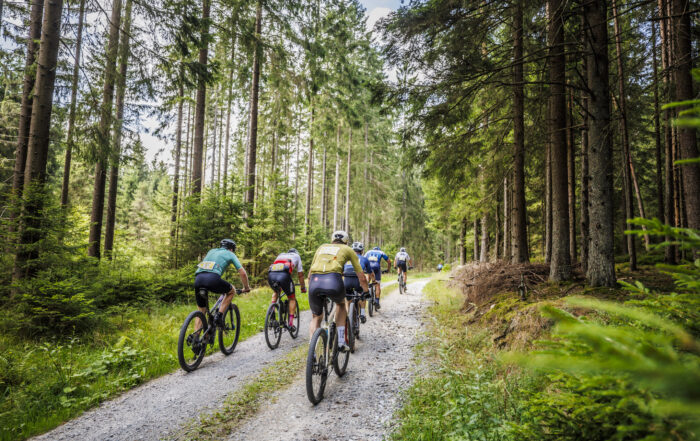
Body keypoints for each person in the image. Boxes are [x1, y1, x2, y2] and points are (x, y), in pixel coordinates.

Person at [308, 231, 369, 352]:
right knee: (341, 305)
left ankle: (312, 350)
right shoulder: (348, 249)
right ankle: (341, 342)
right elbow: (361, 276)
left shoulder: (321, 247)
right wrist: (366, 291)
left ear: (332, 240)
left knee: (316, 317)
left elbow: (309, 275)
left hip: (315, 281)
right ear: (346, 241)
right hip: (333, 280)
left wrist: (312, 291)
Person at [194, 239, 251, 330]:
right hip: (212, 279)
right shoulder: (230, 254)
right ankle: (219, 316)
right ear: (231, 249)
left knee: (201, 311)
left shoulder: (211, 251)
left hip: (198, 279)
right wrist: (246, 288)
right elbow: (243, 273)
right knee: (231, 291)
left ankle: (196, 336)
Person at [267, 248, 306, 333]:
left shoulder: (281, 255)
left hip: (271, 275)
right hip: (284, 276)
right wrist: (303, 287)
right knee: (291, 298)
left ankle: (272, 312)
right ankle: (290, 324)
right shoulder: (297, 256)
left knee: (276, 292)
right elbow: (300, 274)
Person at [343, 241, 373, 323]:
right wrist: (373, 281)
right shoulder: (364, 259)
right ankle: (362, 314)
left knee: (347, 298)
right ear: (362, 251)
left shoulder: (346, 259)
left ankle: (347, 315)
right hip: (358, 280)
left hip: (347, 280)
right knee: (363, 294)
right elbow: (370, 273)